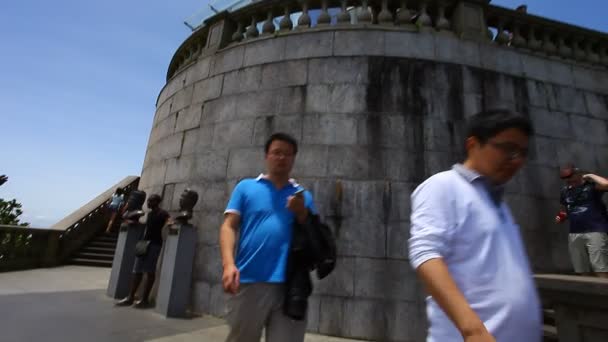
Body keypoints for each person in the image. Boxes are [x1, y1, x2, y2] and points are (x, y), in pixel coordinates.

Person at [408, 109, 541, 342]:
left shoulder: (498, 203)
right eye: (508, 149)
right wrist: (473, 330)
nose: (516, 160)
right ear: (473, 144)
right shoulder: (443, 186)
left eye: (522, 152)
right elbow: (425, 254)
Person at [220, 132, 317, 342]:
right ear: (267, 156)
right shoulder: (246, 187)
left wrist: (302, 213)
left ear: (294, 158)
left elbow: (315, 237)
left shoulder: (303, 196)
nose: (282, 158)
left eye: (288, 154)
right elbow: (228, 226)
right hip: (249, 279)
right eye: (276, 153)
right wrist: (228, 264)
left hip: (291, 286)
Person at [116, 194, 169, 308]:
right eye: (148, 201)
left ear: (156, 202)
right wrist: (134, 223)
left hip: (155, 244)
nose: (148, 203)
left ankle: (144, 299)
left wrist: (170, 223)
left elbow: (169, 221)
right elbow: (147, 226)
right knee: (136, 270)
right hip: (143, 243)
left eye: (150, 201)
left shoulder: (163, 213)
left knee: (150, 271)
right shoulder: (149, 214)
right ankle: (130, 297)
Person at [555, 165, 608, 278]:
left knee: (600, 267)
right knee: (581, 270)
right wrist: (559, 218)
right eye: (564, 178)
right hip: (575, 232)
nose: (568, 180)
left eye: (570, 176)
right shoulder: (565, 192)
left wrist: (590, 175)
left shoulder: (591, 187)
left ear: (578, 174)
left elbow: (606, 184)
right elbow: (563, 211)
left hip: (595, 230)